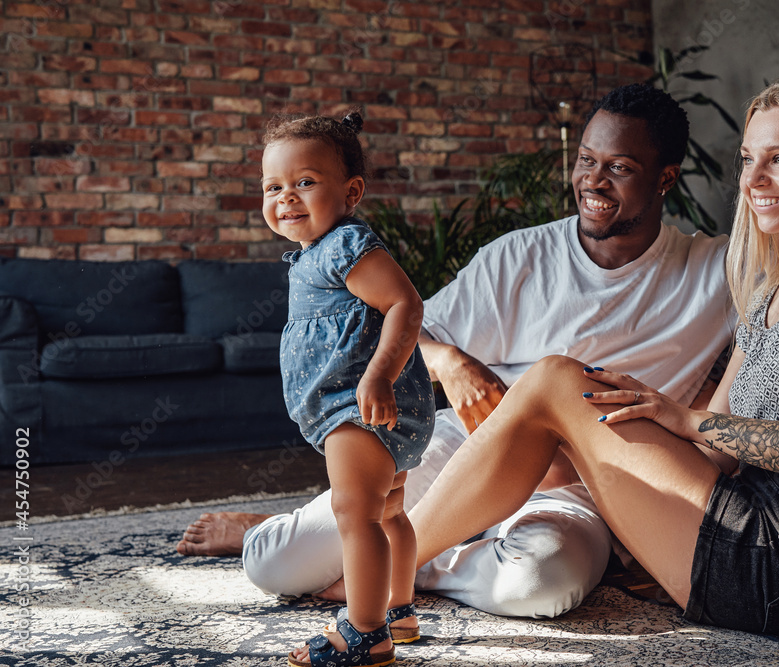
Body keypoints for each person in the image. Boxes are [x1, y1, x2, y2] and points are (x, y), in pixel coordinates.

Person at [406, 76, 779, 634]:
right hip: (746, 518)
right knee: (566, 393)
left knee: (554, 379)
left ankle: (384, 571)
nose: (754, 180)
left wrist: (684, 419)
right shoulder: (770, 294)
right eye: (748, 159)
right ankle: (391, 566)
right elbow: (715, 454)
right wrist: (600, 452)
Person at [177, 83, 736, 618]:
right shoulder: (519, 255)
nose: (593, 180)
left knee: (539, 585)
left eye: (619, 167)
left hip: (581, 487)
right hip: (466, 450)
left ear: (665, 179)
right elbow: (408, 323)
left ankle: (390, 565)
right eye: (586, 160)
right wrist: (449, 361)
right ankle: (291, 532)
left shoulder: (718, 270)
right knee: (274, 565)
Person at [259, 113, 436, 667]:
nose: (286, 197)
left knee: (353, 512)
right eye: (272, 186)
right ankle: (399, 611)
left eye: (305, 182)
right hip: (365, 406)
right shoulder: (313, 255)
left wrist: (379, 375)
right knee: (388, 514)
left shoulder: (345, 245)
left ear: (351, 191)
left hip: (358, 405)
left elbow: (405, 304)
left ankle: (365, 633)